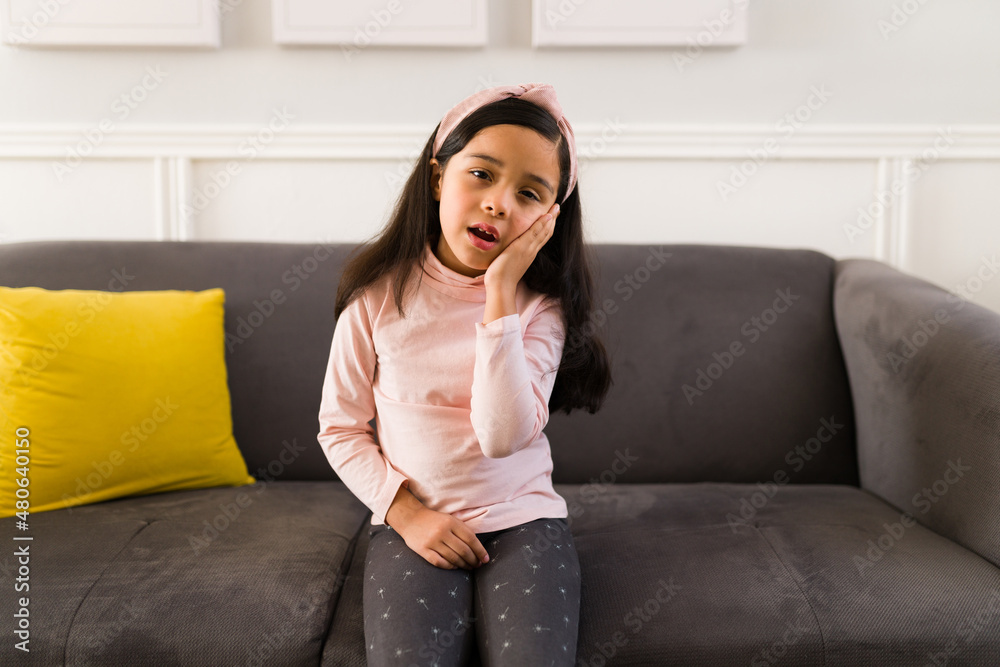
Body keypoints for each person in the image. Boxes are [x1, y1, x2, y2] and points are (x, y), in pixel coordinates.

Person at [316, 82, 612, 666]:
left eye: (528, 193)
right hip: (416, 520)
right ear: (437, 178)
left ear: (549, 220)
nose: (499, 203)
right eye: (481, 174)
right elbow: (340, 429)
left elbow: (502, 437)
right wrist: (407, 515)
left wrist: (500, 293)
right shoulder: (376, 299)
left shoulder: (540, 309)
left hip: (524, 518)